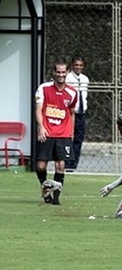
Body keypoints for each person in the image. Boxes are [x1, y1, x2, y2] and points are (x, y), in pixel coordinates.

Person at [35, 60, 77, 205]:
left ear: (67, 73)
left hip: (63, 133)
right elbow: (38, 109)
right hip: (47, 132)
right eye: (58, 72)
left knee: (60, 165)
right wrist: (41, 126)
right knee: (40, 166)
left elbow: (71, 113)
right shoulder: (44, 88)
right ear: (53, 73)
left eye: (63, 72)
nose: (61, 75)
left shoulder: (72, 92)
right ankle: (45, 188)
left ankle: (56, 198)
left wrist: (71, 131)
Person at [65, 55, 89, 171]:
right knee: (68, 136)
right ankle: (67, 162)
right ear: (72, 65)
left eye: (80, 65)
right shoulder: (68, 78)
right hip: (70, 111)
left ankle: (73, 164)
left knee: (79, 138)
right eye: (76, 65)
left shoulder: (85, 79)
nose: (78, 67)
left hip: (81, 112)